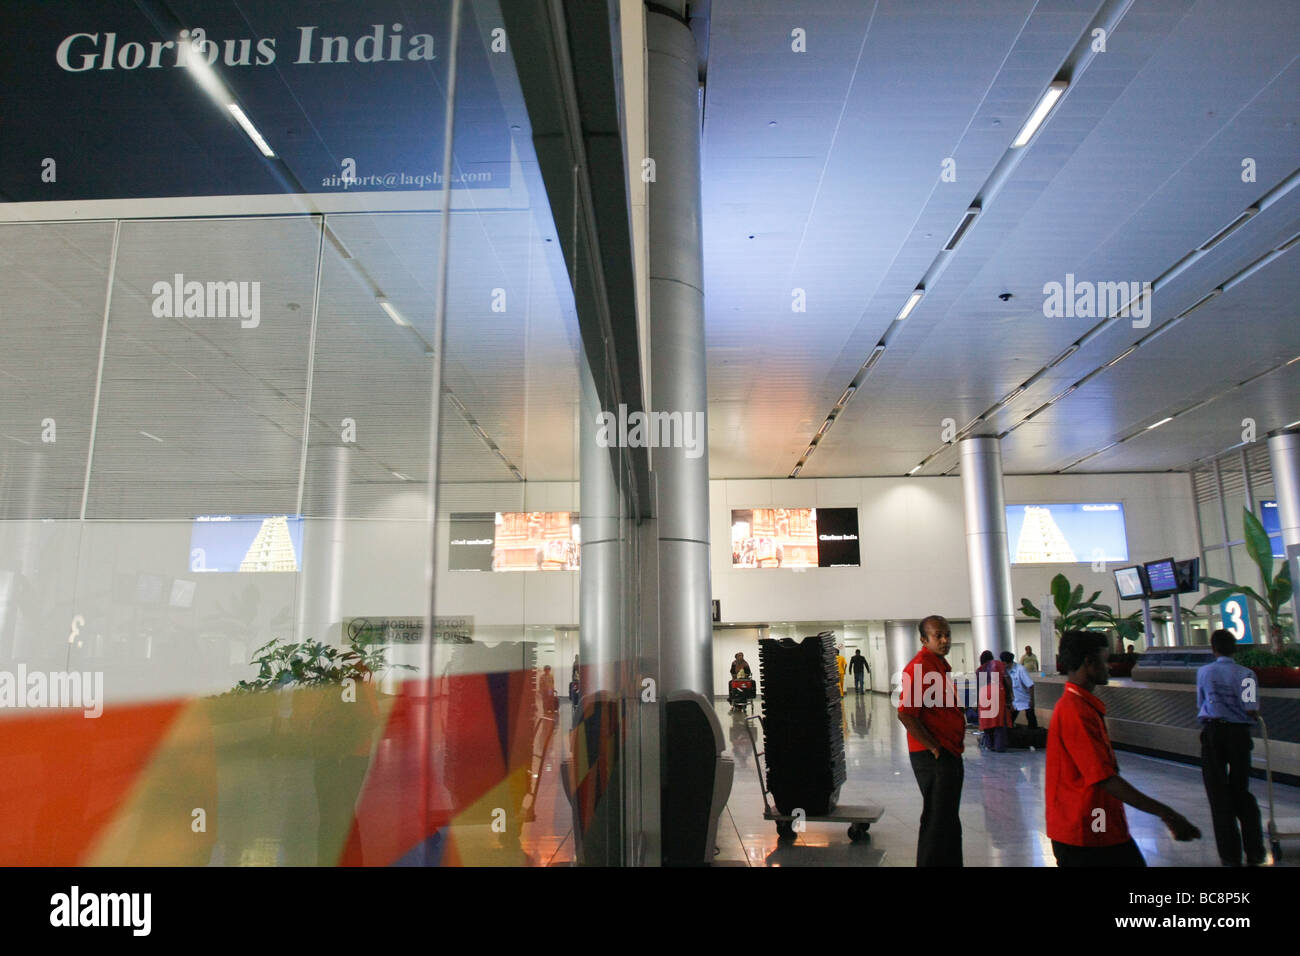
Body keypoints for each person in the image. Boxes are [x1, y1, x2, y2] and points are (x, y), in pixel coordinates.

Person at [1046, 630, 1200, 866]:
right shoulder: (1075, 711)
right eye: (1105, 660)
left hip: (1099, 826)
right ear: (1089, 663)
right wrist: (1166, 813)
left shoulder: (1081, 706)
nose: (1109, 668)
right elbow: (1103, 778)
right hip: (1086, 833)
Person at [897, 615, 966, 866]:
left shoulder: (938, 665)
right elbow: (905, 713)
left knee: (947, 819)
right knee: (937, 822)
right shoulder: (921, 667)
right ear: (924, 640)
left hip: (948, 752)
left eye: (947, 634)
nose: (945, 640)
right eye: (938, 635)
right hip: (934, 757)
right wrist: (934, 747)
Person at [1196, 629, 1266, 866]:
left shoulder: (1204, 672)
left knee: (1218, 794)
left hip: (1213, 732)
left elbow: (1201, 702)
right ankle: (1255, 850)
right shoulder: (1247, 674)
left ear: (1213, 648)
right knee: (1241, 790)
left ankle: (1230, 855)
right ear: (1234, 648)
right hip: (1238, 734)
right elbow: (1251, 709)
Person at [977, 650, 1011, 752]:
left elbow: (980, 686)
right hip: (997, 691)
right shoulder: (997, 664)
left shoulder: (979, 670)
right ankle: (999, 746)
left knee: (987, 720)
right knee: (999, 721)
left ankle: (989, 745)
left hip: (983, 694)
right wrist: (1010, 697)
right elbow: (1007, 681)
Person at [1002, 650, 1036, 729]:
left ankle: (1034, 736)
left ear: (1007, 662)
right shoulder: (1006, 671)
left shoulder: (1020, 670)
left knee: (1031, 721)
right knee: (1009, 721)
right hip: (1015, 701)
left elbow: (1030, 685)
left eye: (1003, 663)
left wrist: (1032, 700)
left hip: (1026, 700)